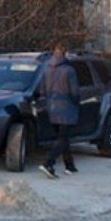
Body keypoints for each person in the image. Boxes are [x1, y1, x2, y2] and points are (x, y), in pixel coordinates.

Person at [39, 44, 80, 179]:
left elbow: (42, 91)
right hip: (66, 108)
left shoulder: (46, 69)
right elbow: (75, 92)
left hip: (52, 108)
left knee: (62, 138)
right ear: (65, 54)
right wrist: (76, 103)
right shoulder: (69, 70)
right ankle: (48, 163)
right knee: (62, 139)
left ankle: (70, 166)